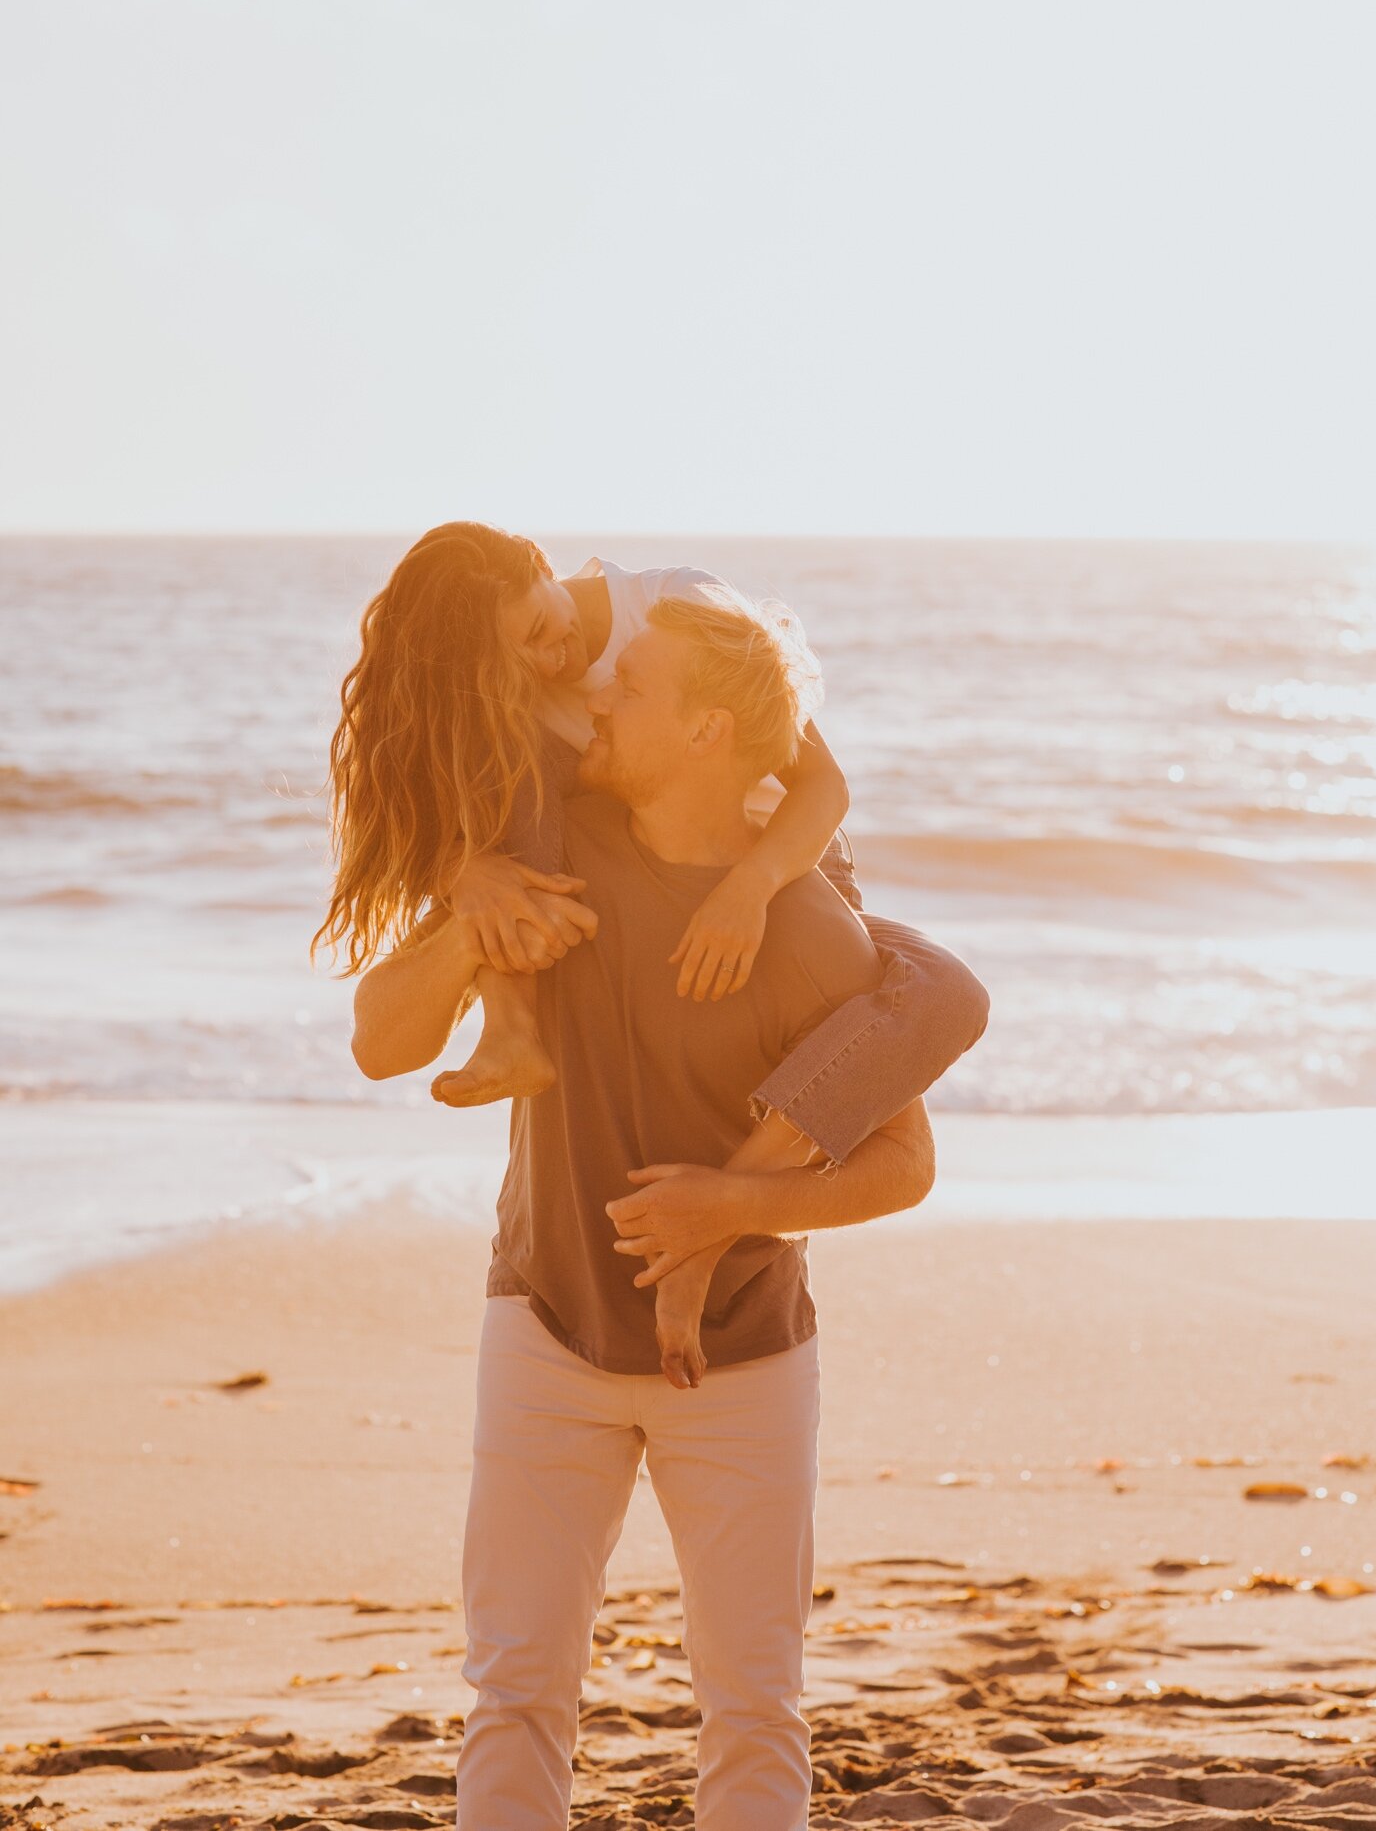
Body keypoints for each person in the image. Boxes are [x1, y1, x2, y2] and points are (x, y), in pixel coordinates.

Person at [350, 590, 970, 1831]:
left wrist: (732, 1208)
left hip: (742, 1362)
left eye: (633, 686)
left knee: (753, 1708)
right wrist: (467, 917)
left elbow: (905, 1164)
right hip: (545, 1329)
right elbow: (381, 1042)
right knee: (516, 1692)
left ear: (705, 735)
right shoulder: (548, 854)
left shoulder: (803, 932)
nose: (597, 699)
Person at [318, 521, 989, 1375]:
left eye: (541, 626)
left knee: (945, 992)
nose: (553, 660)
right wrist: (465, 876)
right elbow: (486, 825)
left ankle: (711, 1227)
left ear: (545, 566)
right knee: (504, 753)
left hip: (782, 868)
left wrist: (748, 894)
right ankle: (511, 1029)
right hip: (625, 886)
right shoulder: (513, 697)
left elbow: (821, 785)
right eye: (516, 658)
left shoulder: (671, 608)